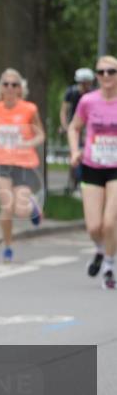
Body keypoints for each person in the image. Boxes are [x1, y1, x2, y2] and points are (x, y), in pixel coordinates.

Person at [0, 69, 45, 262]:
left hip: (24, 163)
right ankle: (7, 246)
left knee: (21, 210)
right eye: (6, 84)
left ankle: (33, 207)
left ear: (20, 89)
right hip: (1, 163)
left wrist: (28, 143)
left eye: (14, 84)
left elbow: (41, 135)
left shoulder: (29, 109)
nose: (9, 88)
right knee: (7, 207)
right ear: (0, 87)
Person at [68, 55, 117, 290]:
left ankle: (109, 265)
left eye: (111, 71)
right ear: (96, 76)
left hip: (116, 169)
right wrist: (73, 150)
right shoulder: (88, 101)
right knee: (93, 226)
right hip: (92, 165)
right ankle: (100, 249)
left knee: (109, 223)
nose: (106, 76)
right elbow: (74, 127)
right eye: (101, 72)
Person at [60, 67, 95, 192]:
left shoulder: (93, 93)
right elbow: (64, 111)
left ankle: (85, 179)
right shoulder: (72, 92)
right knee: (74, 153)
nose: (85, 86)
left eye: (87, 83)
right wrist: (65, 126)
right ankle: (73, 183)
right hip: (74, 125)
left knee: (88, 151)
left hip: (88, 126)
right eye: (82, 83)